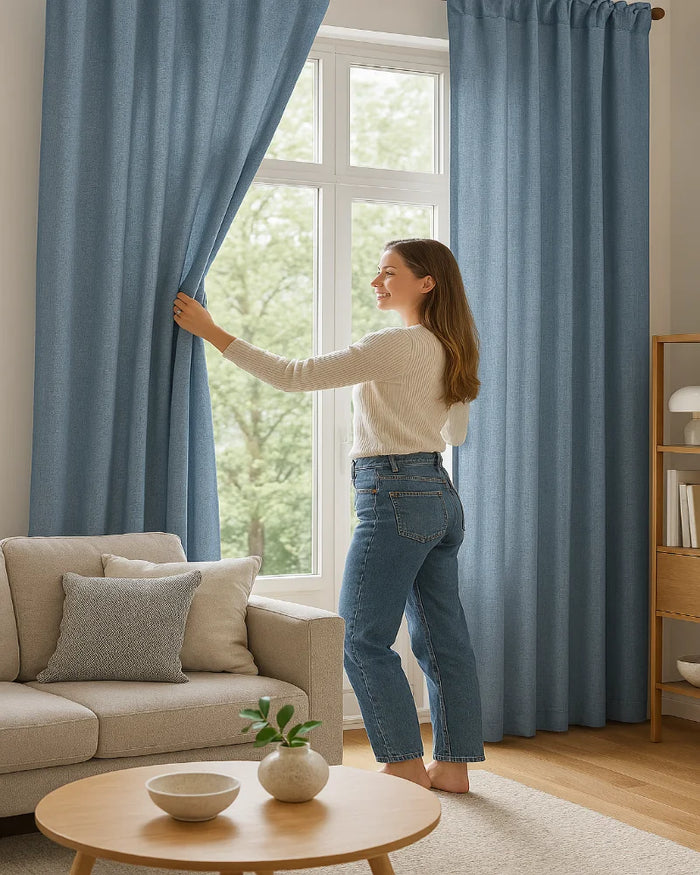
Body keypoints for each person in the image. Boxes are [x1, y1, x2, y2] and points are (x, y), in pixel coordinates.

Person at [173, 237, 485, 793]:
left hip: (393, 495)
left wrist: (211, 331)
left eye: (389, 272)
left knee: (361, 638)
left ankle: (403, 764)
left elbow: (294, 375)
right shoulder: (451, 344)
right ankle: (453, 767)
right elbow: (452, 432)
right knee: (442, 637)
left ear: (426, 282)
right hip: (439, 493)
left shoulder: (395, 344)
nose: (377, 281)